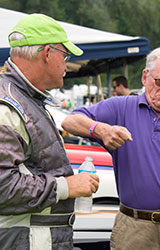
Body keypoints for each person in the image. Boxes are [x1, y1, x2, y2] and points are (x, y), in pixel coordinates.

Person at [62, 46, 160, 250]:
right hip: (134, 228)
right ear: (145, 77)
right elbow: (70, 121)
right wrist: (100, 129)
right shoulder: (120, 108)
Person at [0, 13, 100, 250]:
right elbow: (3, 188)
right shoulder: (8, 106)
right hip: (24, 240)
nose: (66, 66)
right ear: (46, 53)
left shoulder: (25, 99)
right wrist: (68, 186)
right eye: (64, 55)